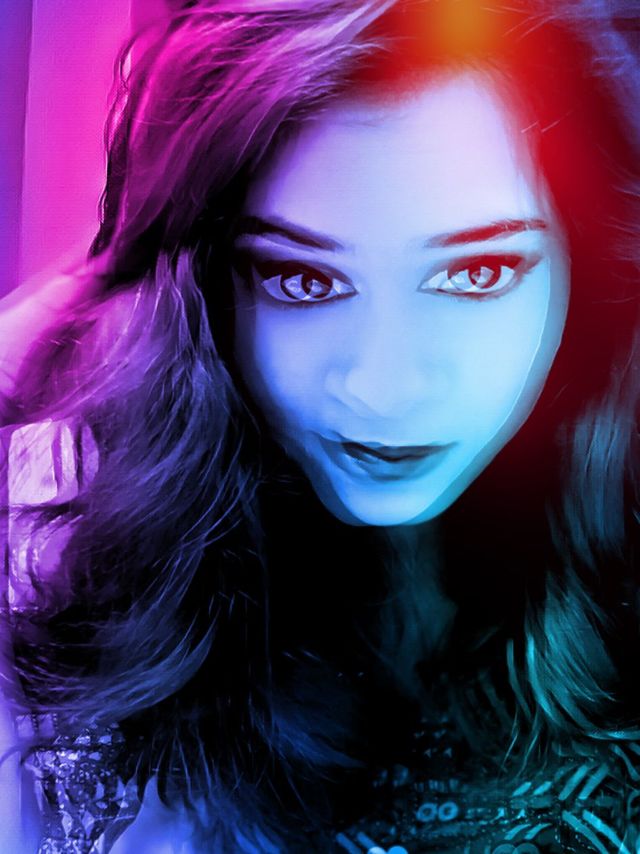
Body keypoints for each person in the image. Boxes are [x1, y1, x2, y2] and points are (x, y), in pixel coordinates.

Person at [1, 0, 640, 851]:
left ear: (583, 264)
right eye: (302, 281)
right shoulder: (68, 559)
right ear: (205, 288)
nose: (385, 388)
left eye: (477, 273)